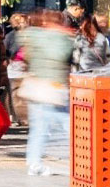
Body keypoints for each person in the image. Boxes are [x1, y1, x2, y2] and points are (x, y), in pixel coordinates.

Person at [20, 9, 74, 176]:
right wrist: (66, 38)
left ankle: (34, 162)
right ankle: (80, 159)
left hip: (35, 87)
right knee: (69, 126)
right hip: (52, 89)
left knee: (39, 129)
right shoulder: (58, 37)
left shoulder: (34, 35)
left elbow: (26, 56)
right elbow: (60, 55)